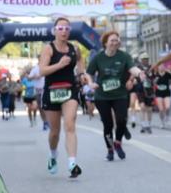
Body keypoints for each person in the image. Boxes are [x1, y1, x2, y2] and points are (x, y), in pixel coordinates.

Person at [38, 17, 83, 178]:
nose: (64, 31)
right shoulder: (48, 49)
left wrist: (82, 74)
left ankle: (72, 164)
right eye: (60, 28)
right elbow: (42, 71)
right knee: (55, 132)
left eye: (67, 28)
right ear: (55, 31)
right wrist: (60, 64)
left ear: (70, 31)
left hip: (69, 90)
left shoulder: (74, 48)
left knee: (70, 124)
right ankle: (53, 155)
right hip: (51, 91)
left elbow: (80, 62)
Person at [86, 31, 134, 161]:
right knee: (108, 124)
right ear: (105, 43)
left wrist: (136, 76)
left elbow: (132, 69)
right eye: (112, 40)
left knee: (121, 120)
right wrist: (91, 83)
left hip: (120, 94)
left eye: (117, 40)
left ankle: (118, 143)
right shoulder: (98, 58)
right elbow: (89, 73)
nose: (115, 42)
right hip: (102, 96)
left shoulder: (124, 56)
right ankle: (110, 150)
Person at [152, 48, 171, 129]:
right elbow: (152, 82)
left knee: (168, 107)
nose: (161, 67)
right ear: (158, 67)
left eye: (163, 66)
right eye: (160, 66)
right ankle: (162, 122)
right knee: (161, 109)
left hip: (166, 92)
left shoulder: (167, 73)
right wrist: (155, 81)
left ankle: (167, 118)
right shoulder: (156, 74)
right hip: (159, 93)